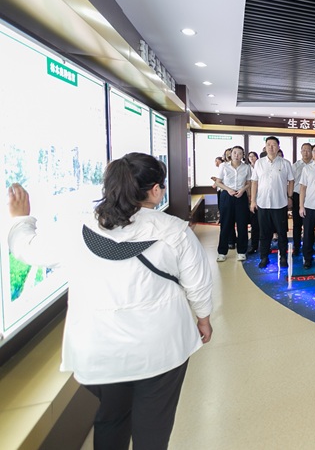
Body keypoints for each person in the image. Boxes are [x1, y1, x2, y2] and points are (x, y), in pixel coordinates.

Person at [6, 153, 213, 449]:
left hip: (100, 349)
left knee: (111, 418)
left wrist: (20, 219)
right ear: (155, 190)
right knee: (154, 425)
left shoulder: (77, 228)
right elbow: (198, 283)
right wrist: (203, 318)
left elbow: (27, 249)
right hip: (162, 347)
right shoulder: (174, 231)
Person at [250, 136, 294, 269]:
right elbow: (254, 182)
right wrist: (253, 200)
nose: (271, 147)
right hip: (263, 203)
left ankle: (283, 257)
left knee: (282, 232)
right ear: (265, 147)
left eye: (274, 144)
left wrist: (290, 196)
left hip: (279, 203)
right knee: (264, 233)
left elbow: (291, 180)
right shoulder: (259, 163)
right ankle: (264, 257)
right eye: (268, 144)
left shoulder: (285, 163)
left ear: (278, 147)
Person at [212, 145, 251, 262]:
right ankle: (222, 252)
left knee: (242, 225)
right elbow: (218, 182)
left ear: (243, 155)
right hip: (227, 196)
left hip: (241, 196)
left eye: (239, 153)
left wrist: (242, 190)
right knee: (225, 225)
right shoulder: (224, 166)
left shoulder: (246, 167)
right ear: (231, 154)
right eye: (234, 153)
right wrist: (228, 189)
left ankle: (242, 251)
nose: (237, 155)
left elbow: (249, 182)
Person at [292, 143, 313, 252]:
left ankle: (310, 246)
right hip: (297, 195)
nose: (306, 152)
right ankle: (296, 246)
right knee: (297, 223)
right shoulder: (295, 166)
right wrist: (289, 197)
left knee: (310, 224)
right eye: (304, 150)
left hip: (311, 196)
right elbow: (290, 182)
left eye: (308, 150)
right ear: (300, 152)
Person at [246, 151, 261, 254]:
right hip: (253, 198)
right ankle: (254, 245)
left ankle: (265, 245)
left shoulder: (261, 166)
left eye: (253, 156)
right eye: (250, 156)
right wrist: (251, 198)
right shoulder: (247, 168)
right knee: (254, 224)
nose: (252, 158)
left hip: (264, 198)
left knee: (265, 225)